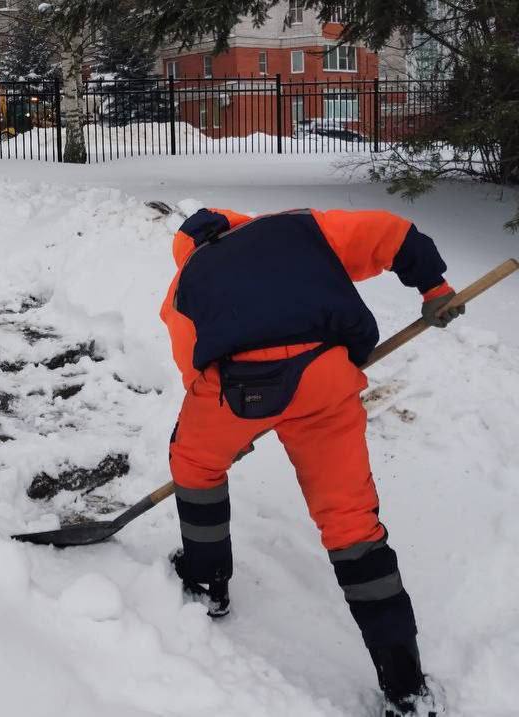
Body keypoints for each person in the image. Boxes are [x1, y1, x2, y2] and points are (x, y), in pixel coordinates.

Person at [160, 207, 463, 716]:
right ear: (242, 223)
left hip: (238, 392)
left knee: (194, 464)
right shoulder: (300, 227)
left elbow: (194, 371)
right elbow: (391, 234)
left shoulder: (184, 281)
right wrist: (433, 287)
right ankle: (406, 687)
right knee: (350, 520)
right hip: (325, 377)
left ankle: (207, 581)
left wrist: (234, 432)